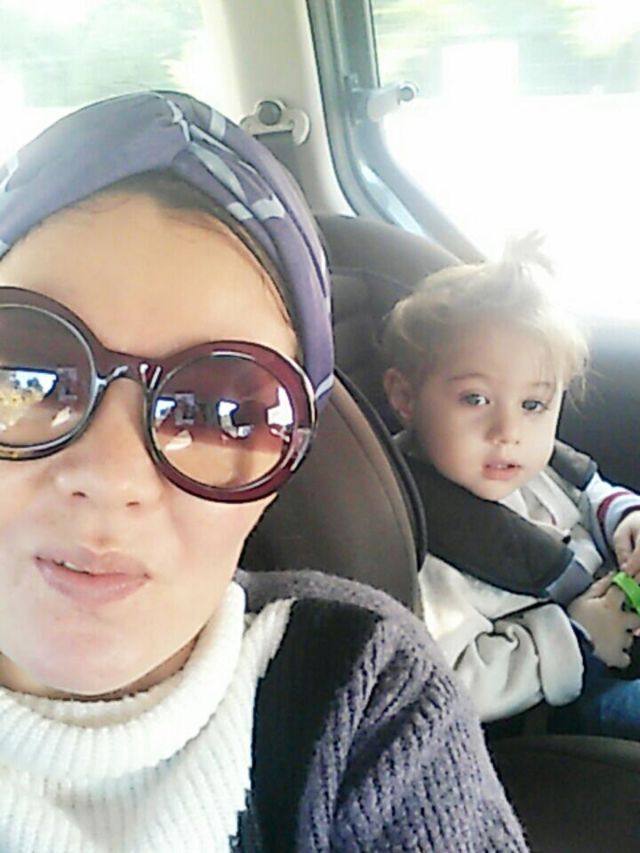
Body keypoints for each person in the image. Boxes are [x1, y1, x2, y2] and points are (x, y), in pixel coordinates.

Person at [0, 92, 527, 852]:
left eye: (220, 413)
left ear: (283, 469)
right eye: (29, 376)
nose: (112, 477)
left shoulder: (364, 685)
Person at [382, 237, 640, 740]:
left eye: (533, 405)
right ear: (406, 397)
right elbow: (458, 678)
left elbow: (589, 496)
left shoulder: (528, 465)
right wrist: (578, 635)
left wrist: (624, 519)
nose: (508, 431)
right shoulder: (425, 542)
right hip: (564, 706)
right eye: (475, 399)